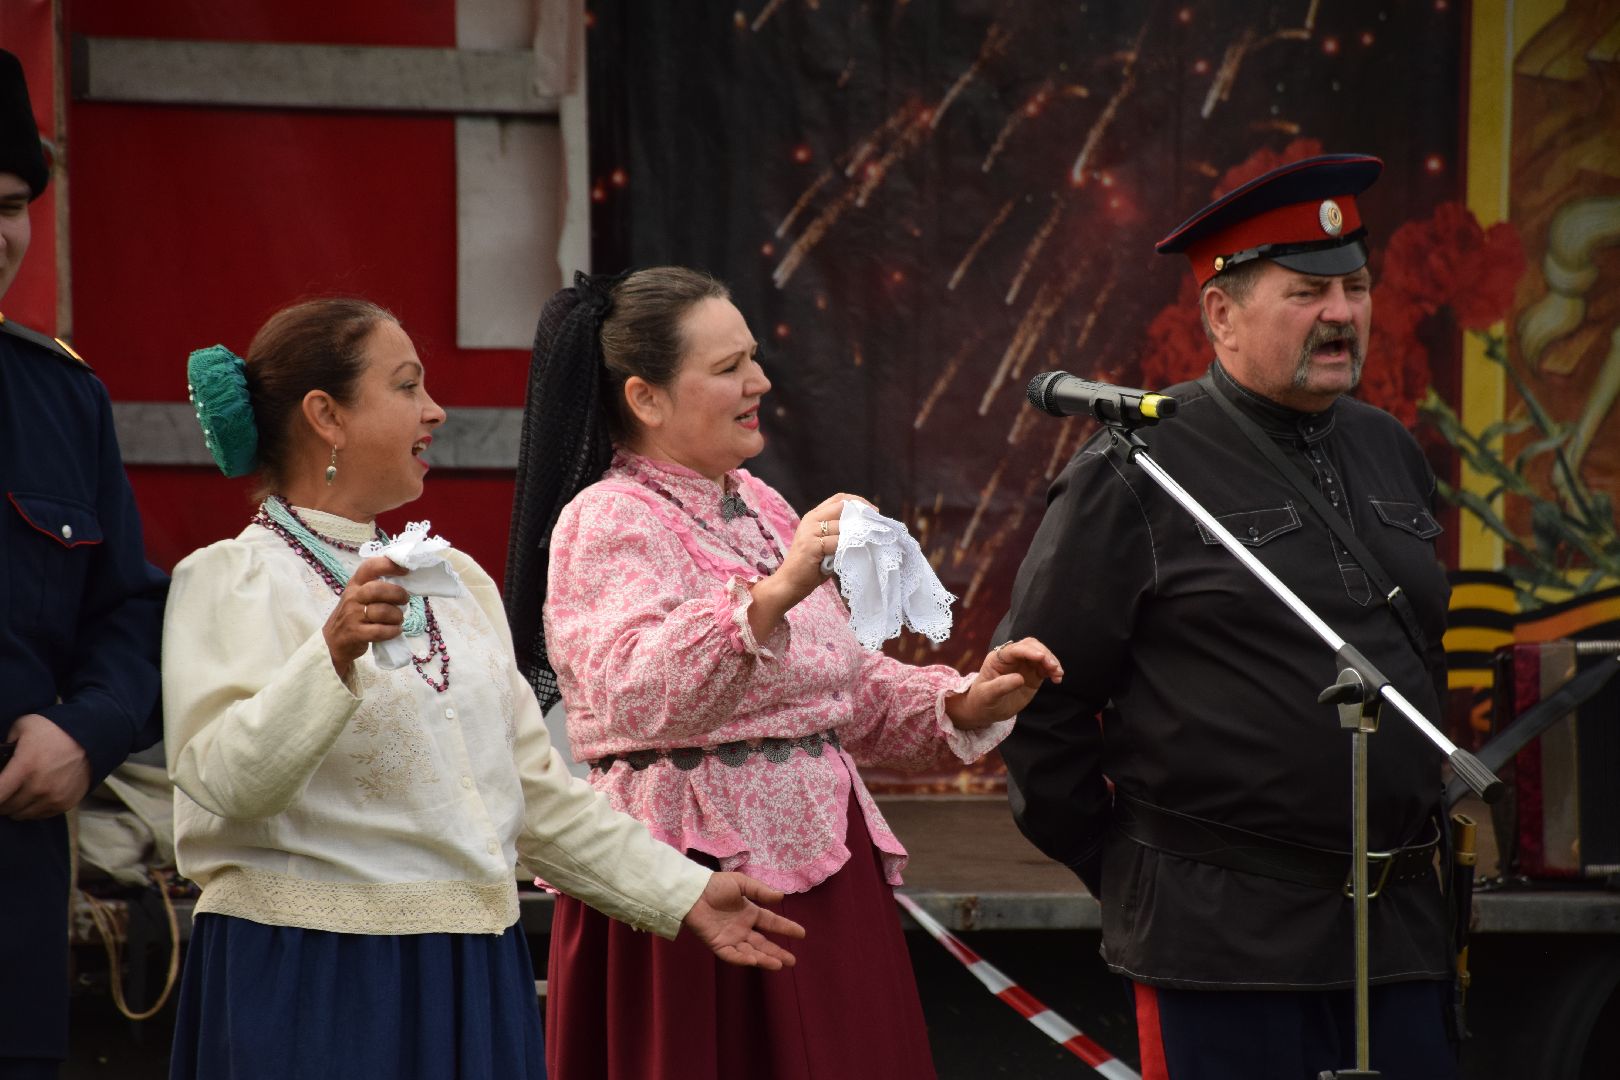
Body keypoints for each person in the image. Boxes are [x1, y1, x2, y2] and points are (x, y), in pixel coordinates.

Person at [163, 297, 804, 1080]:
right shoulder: (231, 580)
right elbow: (226, 785)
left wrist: (682, 893)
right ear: (326, 415)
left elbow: (531, 794)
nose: (435, 410)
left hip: (469, 976)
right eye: (405, 387)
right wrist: (328, 655)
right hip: (311, 975)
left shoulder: (452, 580)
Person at [505, 266, 1063, 1080]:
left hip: (823, 868)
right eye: (728, 367)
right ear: (646, 398)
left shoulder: (758, 504)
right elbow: (635, 690)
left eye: (754, 359)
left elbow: (829, 688)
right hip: (690, 878)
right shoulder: (606, 518)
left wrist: (966, 696)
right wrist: (768, 598)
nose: (758, 381)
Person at [997, 153, 1458, 1079]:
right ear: (1220, 313)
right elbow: (1036, 703)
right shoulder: (1137, 467)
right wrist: (1149, 876)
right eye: (1306, 292)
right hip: (1222, 947)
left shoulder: (1390, 448)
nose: (1341, 314)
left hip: (1398, 940)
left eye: (1356, 287)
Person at [0, 48, 169, 1080]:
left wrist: (84, 733)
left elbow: (132, 616)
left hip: (14, 884)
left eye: (11, 202)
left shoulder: (62, 401)